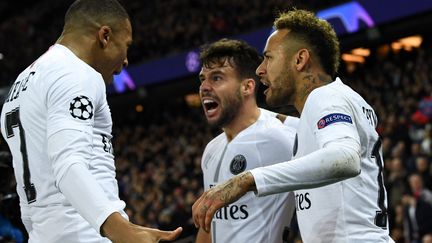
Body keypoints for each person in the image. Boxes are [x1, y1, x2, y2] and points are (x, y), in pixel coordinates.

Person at [192, 9, 395, 243]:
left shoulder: (325, 97)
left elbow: (345, 158)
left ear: (300, 60)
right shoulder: (321, 108)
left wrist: (247, 179)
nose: (260, 70)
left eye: (269, 58)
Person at [0, 0, 182, 242]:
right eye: (126, 46)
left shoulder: (21, 84)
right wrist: (125, 234)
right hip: (84, 234)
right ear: (104, 36)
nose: (126, 61)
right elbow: (68, 165)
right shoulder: (77, 73)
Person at [195, 38, 298, 243]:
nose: (204, 87)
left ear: (247, 87)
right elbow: (209, 226)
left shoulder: (284, 135)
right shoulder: (211, 150)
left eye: (216, 78)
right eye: (202, 79)